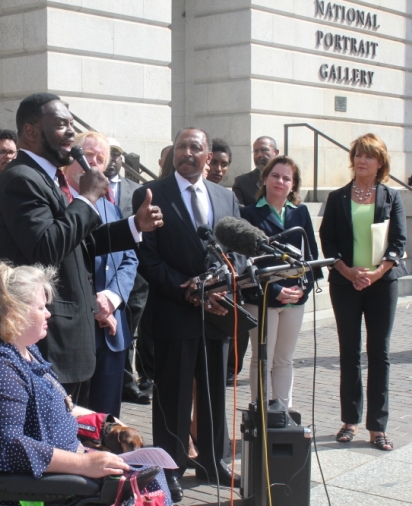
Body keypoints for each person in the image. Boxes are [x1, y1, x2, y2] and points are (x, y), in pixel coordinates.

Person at [0, 92, 163, 403]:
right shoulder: (21, 178)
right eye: (60, 125)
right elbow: (46, 247)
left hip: (70, 337)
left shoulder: (47, 177)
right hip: (47, 338)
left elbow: (78, 244)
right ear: (30, 131)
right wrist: (87, 199)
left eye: (72, 124)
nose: (71, 132)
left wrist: (133, 226)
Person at [0, 263, 168, 501]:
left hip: (63, 465)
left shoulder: (24, 351)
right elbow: (10, 446)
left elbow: (62, 403)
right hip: (38, 484)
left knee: (150, 474)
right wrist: (83, 463)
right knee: (148, 485)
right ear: (14, 313)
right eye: (40, 308)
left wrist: (103, 422)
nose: (48, 313)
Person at [133, 127, 242, 500]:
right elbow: (147, 256)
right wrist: (188, 289)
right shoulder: (152, 193)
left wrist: (221, 286)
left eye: (195, 148)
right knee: (173, 397)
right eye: (181, 146)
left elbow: (238, 249)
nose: (187, 153)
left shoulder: (225, 196)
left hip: (216, 312)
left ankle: (213, 460)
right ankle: (170, 466)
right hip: (172, 311)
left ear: (208, 156)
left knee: (213, 392)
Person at [319, 133, 407, 452]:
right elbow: (327, 240)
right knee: (349, 351)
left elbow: (398, 242)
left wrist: (376, 273)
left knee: (379, 353)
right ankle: (349, 421)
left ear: (380, 162)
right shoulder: (338, 197)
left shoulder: (391, 197)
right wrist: (348, 271)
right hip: (345, 283)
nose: (362, 160)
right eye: (358, 154)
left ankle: (377, 427)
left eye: (369, 156)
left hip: (382, 285)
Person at [61, 132, 139, 418]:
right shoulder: (60, 202)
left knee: (107, 421)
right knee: (73, 421)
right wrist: (94, 304)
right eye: (87, 154)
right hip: (71, 333)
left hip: (111, 330)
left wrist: (111, 297)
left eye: (100, 158)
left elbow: (129, 258)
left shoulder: (110, 206)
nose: (92, 162)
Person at [239, 156, 321, 408]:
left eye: (287, 178)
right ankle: (260, 413)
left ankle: (283, 412)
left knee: (284, 359)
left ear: (293, 185)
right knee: (262, 358)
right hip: (262, 297)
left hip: (294, 299)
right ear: (265, 178)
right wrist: (275, 289)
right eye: (275, 175)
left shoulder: (301, 213)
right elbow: (246, 261)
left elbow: (312, 257)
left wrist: (301, 290)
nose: (280, 181)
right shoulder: (249, 213)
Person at [104, 138, 152, 405]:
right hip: (101, 274)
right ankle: (123, 382)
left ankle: (127, 379)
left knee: (129, 330)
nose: (112, 159)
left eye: (117, 154)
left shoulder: (138, 190)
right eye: (106, 154)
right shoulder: (89, 189)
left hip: (134, 274)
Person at [232, 136, 279, 206]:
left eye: (264, 150)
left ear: (276, 153)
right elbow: (239, 212)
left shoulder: (287, 180)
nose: (259, 155)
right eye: (256, 151)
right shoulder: (241, 182)